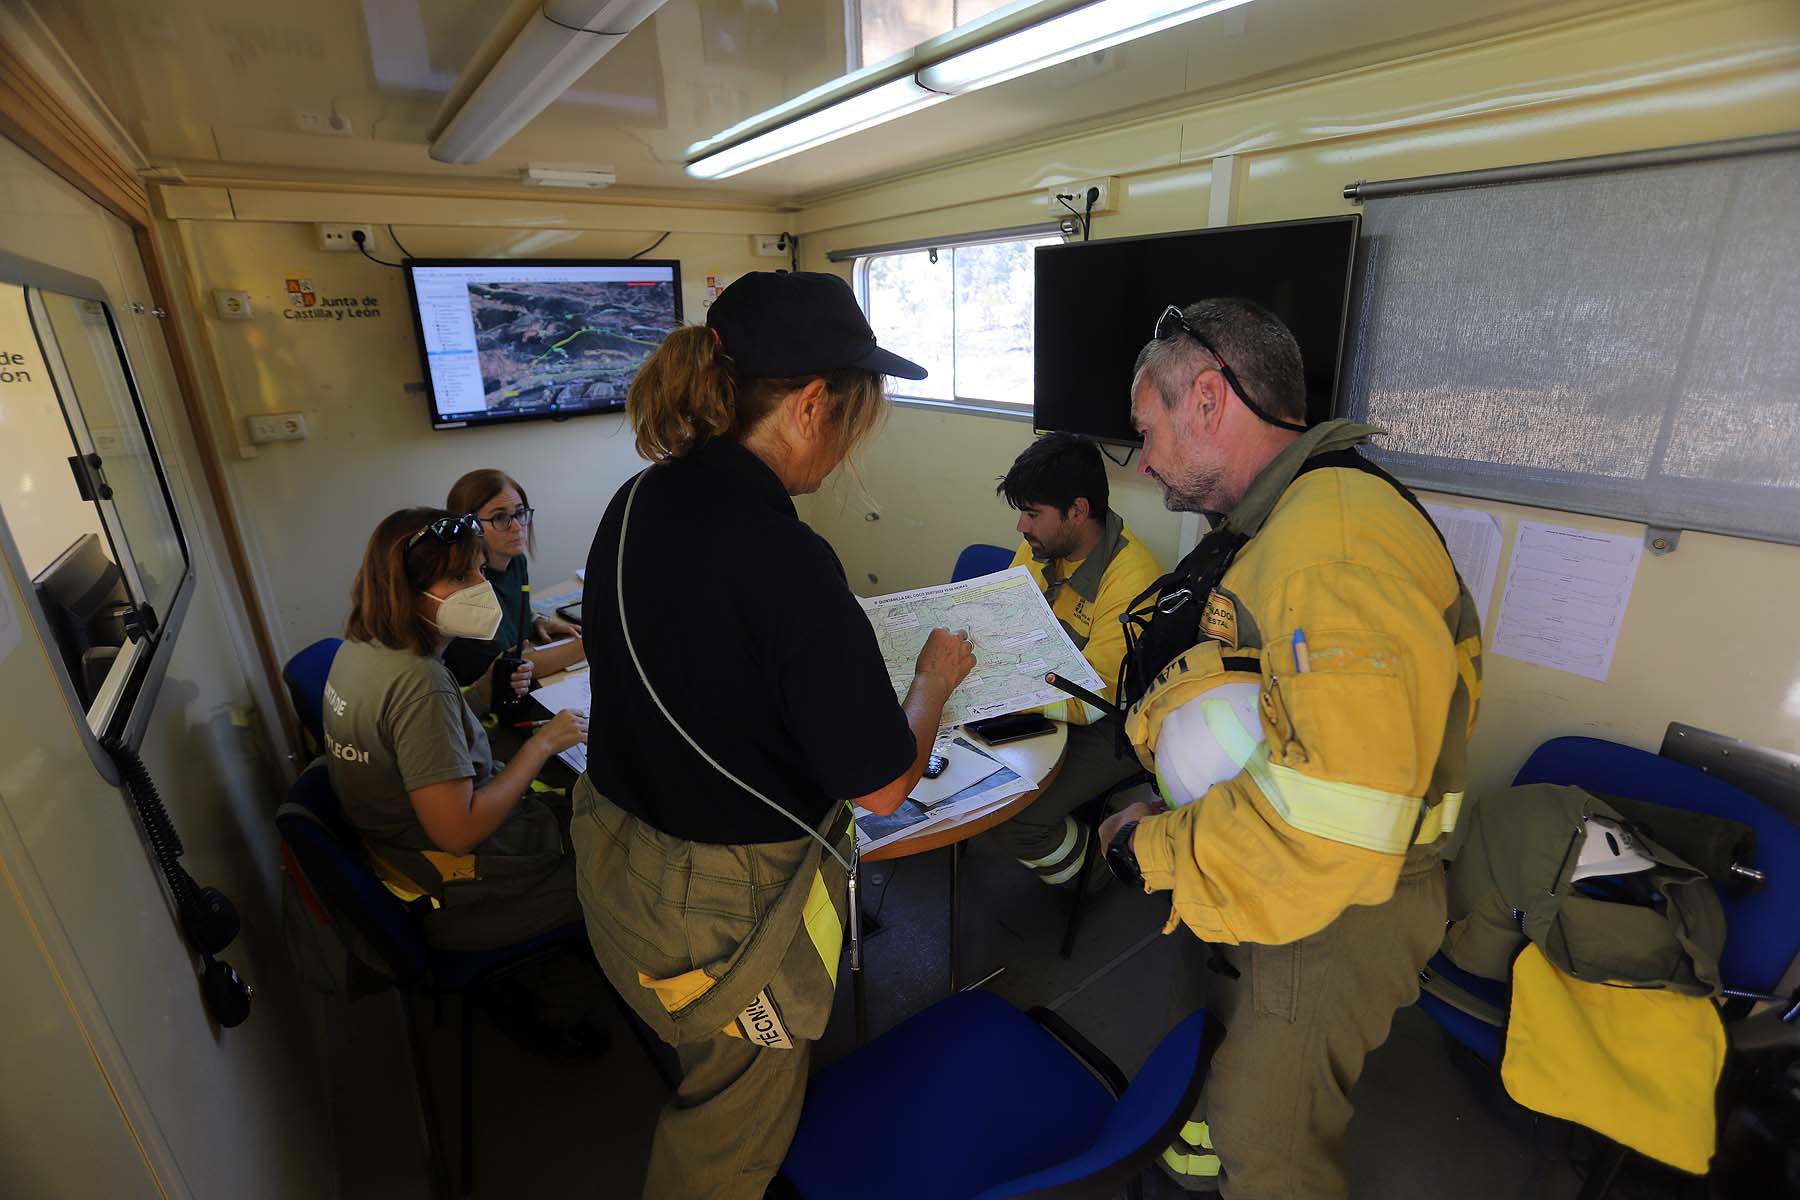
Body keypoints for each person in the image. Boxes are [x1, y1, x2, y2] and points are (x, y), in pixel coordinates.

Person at [570, 271, 976, 1200]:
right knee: (735, 1121)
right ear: (807, 406)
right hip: (718, 915)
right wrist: (930, 682)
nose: (840, 456)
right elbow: (879, 790)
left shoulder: (635, 501)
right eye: (849, 425)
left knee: (713, 1072)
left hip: (618, 860)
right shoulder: (787, 558)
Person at [1095, 298, 1482, 1198]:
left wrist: (1151, 848)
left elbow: (1331, 819)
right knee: (1239, 1083)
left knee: (1267, 1141)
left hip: (1339, 908)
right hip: (1290, 882)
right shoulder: (1298, 516)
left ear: (1206, 399)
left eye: (1145, 429)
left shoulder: (1328, 548)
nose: (1143, 459)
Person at [323, 506, 605, 1047]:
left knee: (576, 802)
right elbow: (458, 830)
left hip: (400, 861)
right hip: (459, 892)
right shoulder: (418, 682)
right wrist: (545, 742)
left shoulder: (362, 650)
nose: (483, 585)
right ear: (407, 588)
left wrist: (478, 693)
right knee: (622, 858)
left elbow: (417, 738)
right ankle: (560, 1012)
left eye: (480, 569)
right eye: (460, 577)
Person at [987, 430, 1163, 886]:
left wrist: (1002, 696)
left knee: (1016, 816)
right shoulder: (1044, 545)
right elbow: (1003, 622)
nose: (1021, 529)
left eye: (1032, 514)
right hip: (1045, 701)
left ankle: (1100, 867)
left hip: (1114, 723)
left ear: (1078, 512)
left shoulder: (1133, 578)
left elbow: (1091, 699)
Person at [441, 468, 585, 695]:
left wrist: (533, 622)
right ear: (469, 526)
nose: (518, 527)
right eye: (500, 517)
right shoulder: (468, 590)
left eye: (519, 513)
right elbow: (513, 669)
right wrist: (590, 645)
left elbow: (513, 615)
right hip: (482, 705)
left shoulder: (515, 561)